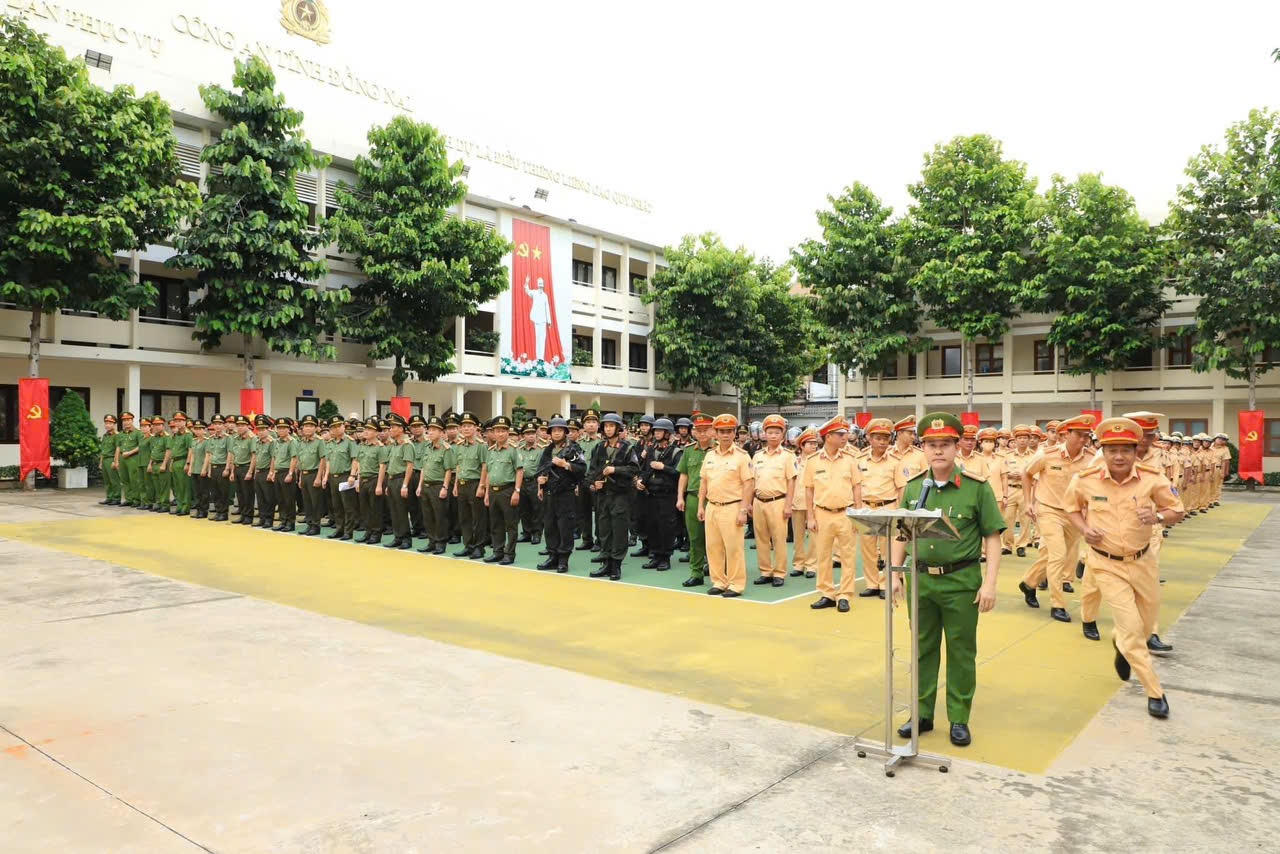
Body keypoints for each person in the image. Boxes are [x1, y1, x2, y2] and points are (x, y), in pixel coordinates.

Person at [892, 412, 1005, 747]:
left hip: (961, 582)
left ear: (958, 447)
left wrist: (990, 582)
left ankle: (958, 717)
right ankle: (922, 713)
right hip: (921, 580)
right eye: (931, 445)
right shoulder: (914, 488)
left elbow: (993, 536)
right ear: (922, 448)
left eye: (944, 444)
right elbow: (901, 532)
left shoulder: (976, 488)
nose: (937, 451)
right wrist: (896, 574)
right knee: (922, 649)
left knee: (960, 650)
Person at [1064, 416, 1184, 719]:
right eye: (1112, 449)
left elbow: (1177, 510)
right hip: (1106, 564)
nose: (1119, 456)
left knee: (1143, 628)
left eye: (1126, 450)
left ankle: (1122, 644)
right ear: (1102, 450)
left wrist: (1156, 518)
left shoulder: (1152, 478)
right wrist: (1084, 529)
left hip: (1143, 562)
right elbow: (1071, 508)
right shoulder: (1086, 479)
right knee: (1131, 627)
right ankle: (1154, 691)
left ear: (1136, 451)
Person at [1016, 414, 1096, 621]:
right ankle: (1057, 604)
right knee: (1058, 554)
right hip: (1048, 509)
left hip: (1074, 515)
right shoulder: (1048, 454)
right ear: (1066, 434)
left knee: (1053, 555)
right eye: (1078, 435)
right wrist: (1028, 502)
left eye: (1086, 436)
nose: (1083, 440)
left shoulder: (1091, 458)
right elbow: (1026, 473)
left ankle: (1029, 583)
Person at [803, 416, 864, 611]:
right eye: (840, 434)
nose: (844, 437)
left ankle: (845, 594)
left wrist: (857, 514)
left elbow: (857, 487)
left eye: (844, 434)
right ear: (828, 436)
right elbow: (809, 490)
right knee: (823, 555)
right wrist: (810, 517)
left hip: (846, 513)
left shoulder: (850, 459)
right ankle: (827, 593)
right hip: (822, 513)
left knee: (848, 555)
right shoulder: (812, 461)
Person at [698, 413, 755, 598]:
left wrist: (743, 510)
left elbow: (748, 484)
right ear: (715, 433)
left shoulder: (742, 456)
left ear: (735, 433)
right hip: (712, 506)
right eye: (722, 431)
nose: (725, 435)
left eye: (729, 431)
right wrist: (701, 505)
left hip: (732, 506)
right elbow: (704, 482)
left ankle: (736, 584)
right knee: (713, 547)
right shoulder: (709, 455)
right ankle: (719, 581)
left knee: (733, 548)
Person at [855, 417, 908, 598]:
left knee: (888, 550)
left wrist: (901, 513)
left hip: (888, 508)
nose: (882, 442)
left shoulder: (895, 461)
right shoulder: (859, 460)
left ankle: (886, 584)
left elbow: (901, 488)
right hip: (866, 508)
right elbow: (854, 486)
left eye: (885, 439)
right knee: (868, 549)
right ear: (869, 439)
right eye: (878, 438)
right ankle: (872, 584)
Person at [587, 413, 639, 581]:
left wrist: (615, 470)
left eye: (612, 426)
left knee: (619, 529)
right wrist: (595, 482)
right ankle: (606, 562)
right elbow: (593, 469)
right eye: (606, 426)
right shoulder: (599, 447)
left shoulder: (627, 447)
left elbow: (633, 469)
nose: (608, 429)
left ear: (618, 428)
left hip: (620, 495)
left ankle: (616, 565)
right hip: (603, 496)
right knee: (604, 529)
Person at [750, 414, 795, 588]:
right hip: (759, 500)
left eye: (777, 432)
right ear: (764, 434)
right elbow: (751, 480)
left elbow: (791, 481)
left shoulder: (788, 456)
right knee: (761, 539)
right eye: (770, 432)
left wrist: (788, 504)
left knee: (778, 539)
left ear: (782, 435)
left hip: (778, 501)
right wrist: (749, 503)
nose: (773, 435)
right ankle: (765, 571)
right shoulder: (757, 456)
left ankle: (779, 573)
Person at [537, 416, 587, 572]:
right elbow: (542, 468)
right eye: (554, 430)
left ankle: (563, 559)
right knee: (550, 526)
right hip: (550, 493)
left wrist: (566, 464)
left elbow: (582, 469)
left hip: (566, 493)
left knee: (565, 526)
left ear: (565, 432)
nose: (557, 433)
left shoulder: (574, 448)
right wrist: (540, 483)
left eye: (560, 430)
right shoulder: (548, 449)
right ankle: (552, 556)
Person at [676, 412, 714, 587]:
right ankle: (696, 573)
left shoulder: (719, 450)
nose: (702, 434)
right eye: (699, 430)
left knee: (716, 539)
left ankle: (719, 572)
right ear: (694, 432)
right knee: (695, 538)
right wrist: (680, 497)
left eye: (706, 430)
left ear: (713, 431)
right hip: (692, 498)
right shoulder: (689, 450)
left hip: (714, 500)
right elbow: (683, 475)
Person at [641, 418, 683, 570]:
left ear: (667, 433)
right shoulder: (652, 450)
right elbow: (647, 469)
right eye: (656, 430)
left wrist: (663, 467)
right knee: (652, 525)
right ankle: (655, 554)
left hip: (668, 494)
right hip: (652, 494)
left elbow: (679, 473)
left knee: (667, 526)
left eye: (660, 430)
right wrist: (641, 481)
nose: (657, 433)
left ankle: (665, 557)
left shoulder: (676, 451)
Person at [480, 415, 522, 565]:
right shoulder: (490, 450)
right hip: (493, 491)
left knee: (510, 524)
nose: (500, 433)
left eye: (503, 430)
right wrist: (486, 492)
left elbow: (519, 471)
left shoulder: (513, 450)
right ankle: (497, 552)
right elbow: (489, 472)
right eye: (497, 430)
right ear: (493, 432)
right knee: (495, 523)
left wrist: (516, 491)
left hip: (507, 490)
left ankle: (509, 554)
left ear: (508, 432)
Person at [452, 411, 488, 559]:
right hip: (462, 484)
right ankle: (468, 545)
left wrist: (482, 486)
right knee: (464, 517)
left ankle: (479, 547)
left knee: (477, 518)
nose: (466, 429)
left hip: (475, 483)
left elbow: (485, 467)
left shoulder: (481, 446)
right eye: (463, 426)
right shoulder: (459, 446)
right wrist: (455, 485)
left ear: (475, 428)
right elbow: (459, 466)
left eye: (469, 426)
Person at [379, 412, 415, 550]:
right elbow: (390, 466)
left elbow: (409, 466)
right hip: (392, 479)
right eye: (390, 427)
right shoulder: (394, 445)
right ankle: (398, 536)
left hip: (401, 479)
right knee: (393, 510)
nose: (390, 430)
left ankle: (406, 538)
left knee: (401, 510)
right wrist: (388, 484)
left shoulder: (407, 445)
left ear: (401, 429)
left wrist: (405, 485)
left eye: (393, 427)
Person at [320, 415, 359, 540]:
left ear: (344, 426)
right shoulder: (330, 443)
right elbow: (329, 461)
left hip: (345, 477)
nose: (336, 429)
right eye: (333, 427)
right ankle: (339, 529)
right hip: (333, 477)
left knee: (348, 506)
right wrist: (326, 476)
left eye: (339, 426)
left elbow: (355, 459)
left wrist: (353, 475)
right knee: (336, 506)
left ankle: (348, 531)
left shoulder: (350, 442)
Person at [788, 428, 820, 580]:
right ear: (801, 445)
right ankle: (798, 564)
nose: (814, 446)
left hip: (813, 504)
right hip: (797, 502)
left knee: (814, 536)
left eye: (815, 443)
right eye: (810, 443)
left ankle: (812, 565)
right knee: (798, 536)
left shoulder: (819, 460)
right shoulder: (793, 461)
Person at [1001, 424, 1036, 555]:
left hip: (1026, 490)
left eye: (1025, 437)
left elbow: (1037, 474)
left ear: (1028, 439)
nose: (1022, 440)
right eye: (1019, 438)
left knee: (1025, 519)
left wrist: (1024, 476)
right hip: (1010, 489)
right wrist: (1009, 475)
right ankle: (1007, 545)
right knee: (1007, 518)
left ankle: (1022, 545)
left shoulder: (1033, 456)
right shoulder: (1007, 455)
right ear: (1014, 440)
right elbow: (1002, 472)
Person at [293, 414, 325, 535]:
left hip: (314, 474)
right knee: (307, 501)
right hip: (304, 474)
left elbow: (322, 460)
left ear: (316, 428)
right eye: (305, 426)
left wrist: (319, 477)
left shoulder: (319, 442)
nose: (307, 428)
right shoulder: (301, 442)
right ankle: (309, 523)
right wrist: (301, 477)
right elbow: (301, 461)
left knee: (315, 501)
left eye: (311, 426)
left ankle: (316, 525)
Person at [575, 410, 602, 551]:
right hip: (581, 481)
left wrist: (596, 481)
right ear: (583, 425)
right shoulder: (579, 443)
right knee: (583, 512)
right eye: (588, 422)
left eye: (593, 422)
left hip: (596, 483)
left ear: (598, 425)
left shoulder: (602, 443)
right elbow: (575, 464)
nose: (591, 425)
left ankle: (599, 540)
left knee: (599, 513)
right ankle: (587, 539)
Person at [268, 416, 298, 533]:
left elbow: (294, 458)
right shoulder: (276, 442)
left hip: (287, 472)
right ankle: (283, 520)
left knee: (288, 499)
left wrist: (290, 473)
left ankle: (290, 522)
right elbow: (274, 458)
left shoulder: (292, 442)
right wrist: (272, 471)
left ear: (289, 429)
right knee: (280, 499)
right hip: (278, 472)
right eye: (279, 428)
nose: (281, 430)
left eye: (283, 428)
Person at [515, 421, 544, 545]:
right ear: (523, 436)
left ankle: (536, 533)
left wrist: (540, 487)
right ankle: (526, 532)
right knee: (524, 509)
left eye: (532, 433)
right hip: (522, 482)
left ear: (536, 434)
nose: (530, 436)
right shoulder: (518, 449)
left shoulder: (541, 449)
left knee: (537, 509)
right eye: (527, 433)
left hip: (534, 482)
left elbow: (543, 468)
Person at [113, 411, 143, 507]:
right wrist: (116, 460)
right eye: (124, 420)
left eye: (128, 420)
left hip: (133, 458)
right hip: (122, 458)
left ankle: (136, 500)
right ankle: (128, 499)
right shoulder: (120, 434)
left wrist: (130, 453)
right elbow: (118, 447)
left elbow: (140, 446)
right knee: (124, 479)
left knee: (134, 479)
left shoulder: (138, 433)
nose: (126, 422)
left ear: (132, 420)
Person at [145, 416, 172, 513]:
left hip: (162, 463)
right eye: (155, 425)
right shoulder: (153, 438)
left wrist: (164, 464)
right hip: (154, 464)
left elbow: (168, 451)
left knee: (164, 486)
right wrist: (150, 464)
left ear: (163, 426)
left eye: (159, 425)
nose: (156, 427)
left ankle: (165, 504)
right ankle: (159, 503)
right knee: (156, 486)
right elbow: (153, 452)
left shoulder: (167, 437)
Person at [169, 413, 194, 516]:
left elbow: (190, 450)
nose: (178, 423)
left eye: (180, 421)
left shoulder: (188, 435)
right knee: (177, 486)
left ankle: (185, 507)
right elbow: (173, 450)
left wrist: (188, 463)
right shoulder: (175, 435)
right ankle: (179, 506)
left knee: (184, 486)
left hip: (183, 461)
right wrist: (171, 463)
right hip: (175, 462)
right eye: (176, 421)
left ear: (185, 422)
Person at [524, 274, 552, 362]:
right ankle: (537, 356)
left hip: (543, 319)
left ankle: (541, 358)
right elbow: (527, 291)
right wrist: (527, 282)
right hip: (536, 318)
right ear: (537, 284)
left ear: (543, 285)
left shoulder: (545, 296)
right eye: (539, 283)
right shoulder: (535, 292)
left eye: (541, 283)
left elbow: (547, 307)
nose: (540, 285)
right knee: (537, 337)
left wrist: (549, 321)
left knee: (542, 338)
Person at [186, 419, 208, 519]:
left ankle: (203, 511)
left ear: (204, 430)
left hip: (202, 470)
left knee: (204, 492)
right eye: (196, 429)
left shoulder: (207, 441)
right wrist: (190, 468)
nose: (198, 431)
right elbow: (193, 455)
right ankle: (198, 509)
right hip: (194, 469)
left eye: (200, 429)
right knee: (197, 492)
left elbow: (208, 456)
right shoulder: (194, 441)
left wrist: (204, 469)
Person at [98, 414, 120, 506]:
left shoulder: (117, 435)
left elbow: (117, 449)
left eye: (110, 423)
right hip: (105, 459)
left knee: (114, 480)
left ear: (114, 424)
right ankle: (109, 497)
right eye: (106, 423)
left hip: (111, 459)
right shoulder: (105, 435)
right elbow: (103, 450)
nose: (107, 425)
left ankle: (116, 498)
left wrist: (115, 461)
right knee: (107, 481)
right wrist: (100, 462)